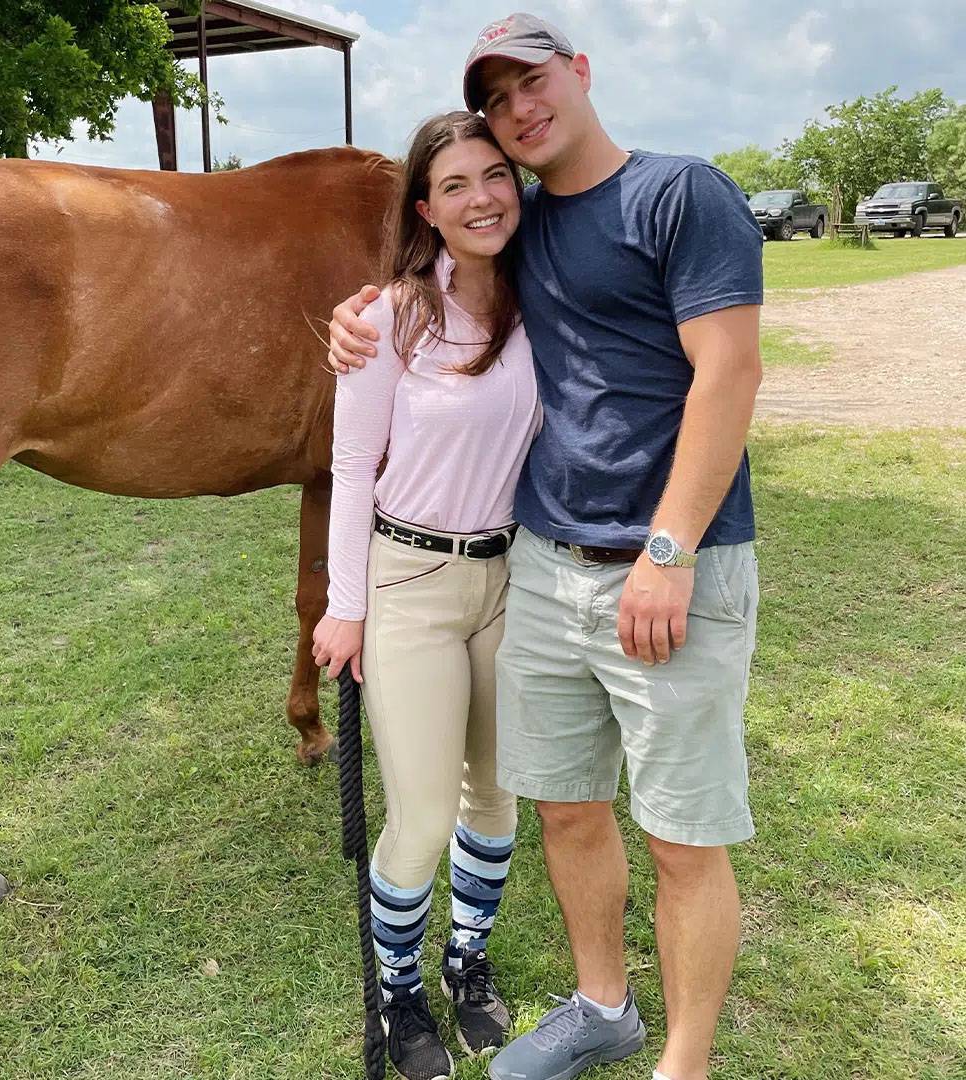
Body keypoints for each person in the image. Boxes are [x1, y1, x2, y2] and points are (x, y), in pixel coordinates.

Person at [327, 14, 765, 1080]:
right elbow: (366, 427)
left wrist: (667, 550)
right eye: (499, 97)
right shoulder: (456, 274)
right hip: (505, 570)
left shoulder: (664, 202)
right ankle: (540, 1004)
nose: (521, 111)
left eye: (535, 82)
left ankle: (668, 1055)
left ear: (580, 72)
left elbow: (730, 373)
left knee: (659, 830)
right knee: (542, 809)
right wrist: (364, 315)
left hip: (634, 569)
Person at [312, 110, 541, 1080]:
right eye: (455, 185)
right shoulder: (387, 317)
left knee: (495, 801)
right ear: (426, 210)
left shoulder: (547, 302)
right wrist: (345, 602)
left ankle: (466, 960)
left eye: (495, 175)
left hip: (510, 579)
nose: (481, 197)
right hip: (409, 579)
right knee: (418, 819)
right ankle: (400, 991)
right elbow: (353, 466)